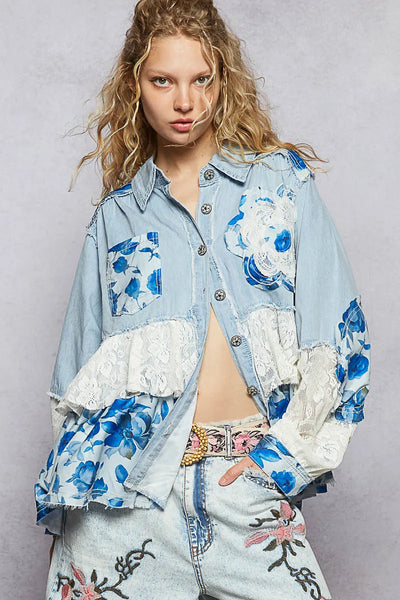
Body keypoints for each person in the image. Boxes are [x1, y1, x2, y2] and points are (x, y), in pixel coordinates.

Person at [35, 1, 371, 599]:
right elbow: (76, 381)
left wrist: (278, 462)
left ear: (222, 79)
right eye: (163, 81)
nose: (185, 102)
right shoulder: (118, 217)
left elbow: (337, 340)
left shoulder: (281, 184)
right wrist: (68, 500)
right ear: (135, 86)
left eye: (201, 79)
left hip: (246, 485)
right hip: (126, 494)